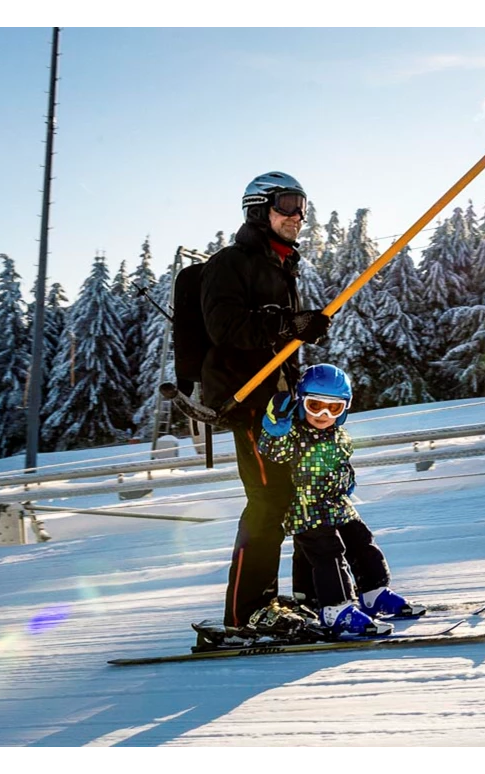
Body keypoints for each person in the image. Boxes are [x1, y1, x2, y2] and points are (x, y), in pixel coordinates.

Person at [200, 171, 333, 629]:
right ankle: (246, 611)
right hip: (249, 401)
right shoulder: (229, 263)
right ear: (259, 209)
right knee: (269, 499)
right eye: (288, 204)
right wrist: (288, 325)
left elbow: (278, 334)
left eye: (302, 206)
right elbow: (227, 329)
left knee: (300, 495)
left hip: (282, 400)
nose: (299, 216)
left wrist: (299, 329)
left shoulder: (281, 266)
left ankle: (301, 598)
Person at [257, 364, 423, 636]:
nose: (323, 415)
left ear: (345, 408)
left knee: (362, 542)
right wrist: (275, 429)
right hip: (306, 508)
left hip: (336, 504)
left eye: (333, 408)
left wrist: (347, 481)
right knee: (329, 554)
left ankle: (373, 592)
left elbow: (342, 464)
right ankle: (336, 609)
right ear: (301, 403)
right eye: (315, 406)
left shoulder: (340, 435)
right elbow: (275, 453)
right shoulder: (294, 433)